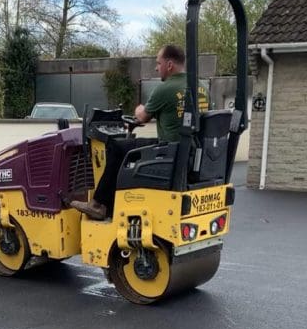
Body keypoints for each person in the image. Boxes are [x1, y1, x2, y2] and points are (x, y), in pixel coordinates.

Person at [70, 43, 208, 220]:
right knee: (130, 146)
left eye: (158, 63)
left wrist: (139, 108)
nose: (156, 68)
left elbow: (142, 117)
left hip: (170, 153)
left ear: (169, 65)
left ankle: (99, 204)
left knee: (116, 147)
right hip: (191, 153)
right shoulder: (201, 88)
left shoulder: (165, 89)